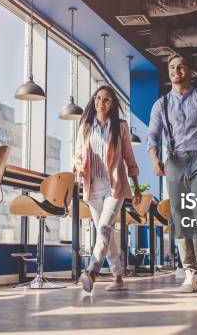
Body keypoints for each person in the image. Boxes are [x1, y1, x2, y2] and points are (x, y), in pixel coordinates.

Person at [147, 53, 197, 295]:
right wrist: (154, 159)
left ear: (189, 71)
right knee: (181, 218)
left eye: (181, 66)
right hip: (174, 161)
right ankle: (190, 273)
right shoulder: (161, 104)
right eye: (172, 67)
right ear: (168, 71)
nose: (176, 70)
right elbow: (152, 136)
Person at [73, 85, 142, 293]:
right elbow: (78, 154)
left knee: (104, 229)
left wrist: (136, 187)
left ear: (112, 104)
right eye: (98, 98)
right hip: (92, 186)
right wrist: (77, 166)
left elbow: (129, 157)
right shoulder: (85, 125)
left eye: (106, 99)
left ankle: (91, 271)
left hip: (115, 186)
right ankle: (118, 277)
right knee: (107, 233)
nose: (101, 102)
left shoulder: (120, 126)